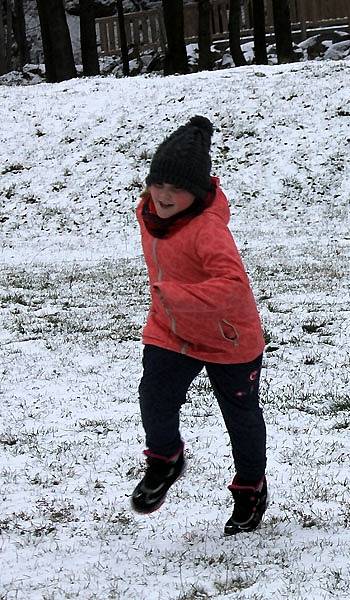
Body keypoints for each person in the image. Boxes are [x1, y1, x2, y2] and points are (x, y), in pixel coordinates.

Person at [130, 115, 269, 536]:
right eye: (159, 185)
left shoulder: (208, 229)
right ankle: (165, 458)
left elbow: (232, 285)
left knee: (239, 414)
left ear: (197, 192)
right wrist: (172, 305)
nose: (165, 197)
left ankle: (250, 488)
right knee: (154, 394)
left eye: (177, 190)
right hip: (172, 329)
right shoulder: (149, 211)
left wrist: (179, 296)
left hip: (228, 336)